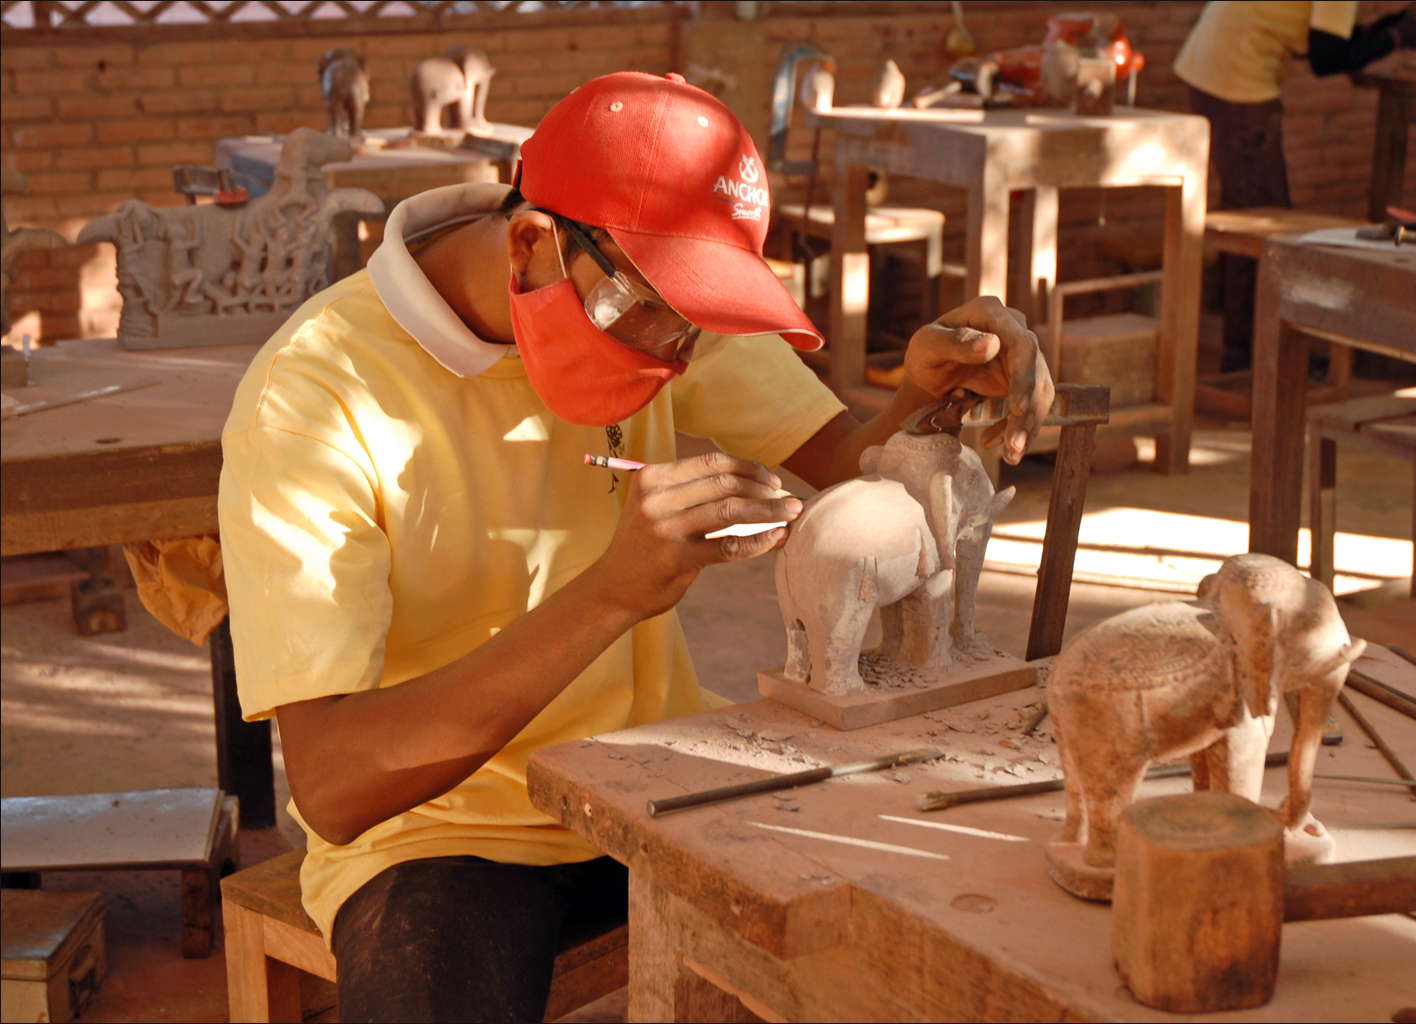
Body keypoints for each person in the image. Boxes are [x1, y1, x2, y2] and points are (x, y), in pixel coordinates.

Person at [217, 71, 1053, 1023]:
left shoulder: (650, 296)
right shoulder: (313, 398)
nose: (671, 356)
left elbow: (844, 460)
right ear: (532, 241)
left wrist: (924, 398)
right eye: (651, 318)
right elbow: (334, 783)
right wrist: (610, 594)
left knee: (913, 941)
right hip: (443, 832)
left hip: (661, 778)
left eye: (697, 326)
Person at [1174, 1, 1416, 371]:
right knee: (1264, 230)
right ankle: (1253, 357)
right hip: (1236, 84)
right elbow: (1325, 58)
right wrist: (1395, 38)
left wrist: (1379, 31)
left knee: (1252, 214)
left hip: (1213, 71)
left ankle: (1252, 350)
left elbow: (1312, 38)